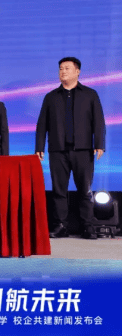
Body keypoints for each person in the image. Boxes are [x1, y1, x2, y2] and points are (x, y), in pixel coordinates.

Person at [36, 57, 106, 240]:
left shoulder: (90, 94)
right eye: (61, 68)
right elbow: (42, 123)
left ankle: (87, 226)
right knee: (59, 190)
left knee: (85, 190)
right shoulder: (51, 97)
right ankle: (61, 226)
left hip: (83, 150)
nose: (63, 71)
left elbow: (98, 120)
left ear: (77, 71)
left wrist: (99, 144)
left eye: (67, 68)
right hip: (57, 150)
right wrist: (39, 146)